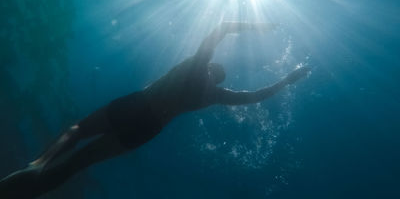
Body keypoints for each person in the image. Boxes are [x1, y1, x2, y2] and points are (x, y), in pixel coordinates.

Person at [0, 22, 310, 198]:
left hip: (138, 104)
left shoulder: (194, 65)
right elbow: (256, 95)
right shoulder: (213, 95)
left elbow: (219, 29)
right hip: (148, 127)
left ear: (211, 67)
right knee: (79, 163)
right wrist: (287, 80)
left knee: (77, 130)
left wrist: (255, 25)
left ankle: (38, 163)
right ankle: (33, 190)